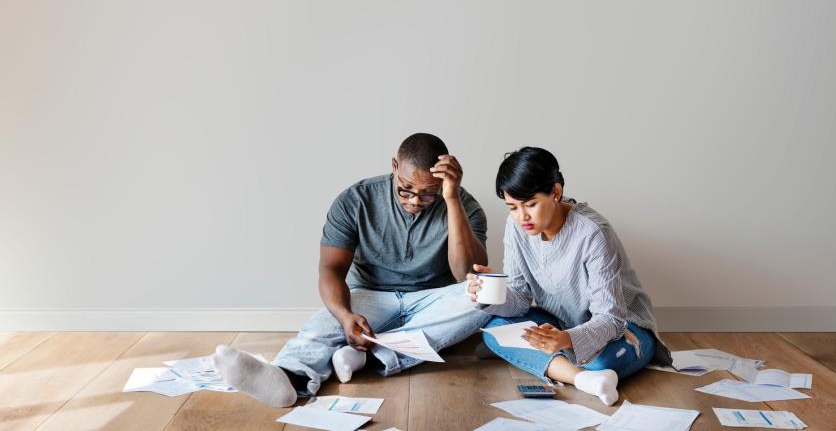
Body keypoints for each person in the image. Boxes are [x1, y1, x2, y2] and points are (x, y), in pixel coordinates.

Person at [214, 133, 491, 407]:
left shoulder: (464, 206)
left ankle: (369, 357)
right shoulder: (356, 200)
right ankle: (288, 377)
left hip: (433, 300)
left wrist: (451, 199)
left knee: (485, 297)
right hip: (371, 296)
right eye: (406, 188)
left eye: (428, 194)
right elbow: (330, 269)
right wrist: (345, 315)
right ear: (394, 167)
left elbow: (466, 273)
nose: (415, 201)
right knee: (324, 324)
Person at [466, 147, 671, 406]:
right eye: (512, 207)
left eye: (530, 204)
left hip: (625, 328)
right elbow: (519, 299)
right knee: (494, 329)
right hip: (562, 323)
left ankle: (563, 365)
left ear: (555, 192)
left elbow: (611, 318)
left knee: (601, 361)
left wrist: (566, 339)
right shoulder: (516, 227)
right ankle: (584, 379)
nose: (522, 217)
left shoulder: (594, 232)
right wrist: (485, 293)